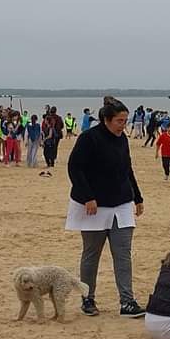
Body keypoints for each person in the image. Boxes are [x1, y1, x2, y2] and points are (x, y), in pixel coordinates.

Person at [65, 98, 147, 318]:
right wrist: (88, 197)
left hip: (121, 203)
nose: (123, 125)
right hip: (94, 206)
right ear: (106, 120)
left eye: (125, 121)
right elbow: (75, 169)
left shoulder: (122, 140)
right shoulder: (89, 138)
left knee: (123, 254)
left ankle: (127, 302)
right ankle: (87, 298)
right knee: (92, 254)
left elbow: (127, 169)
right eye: (119, 121)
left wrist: (137, 197)